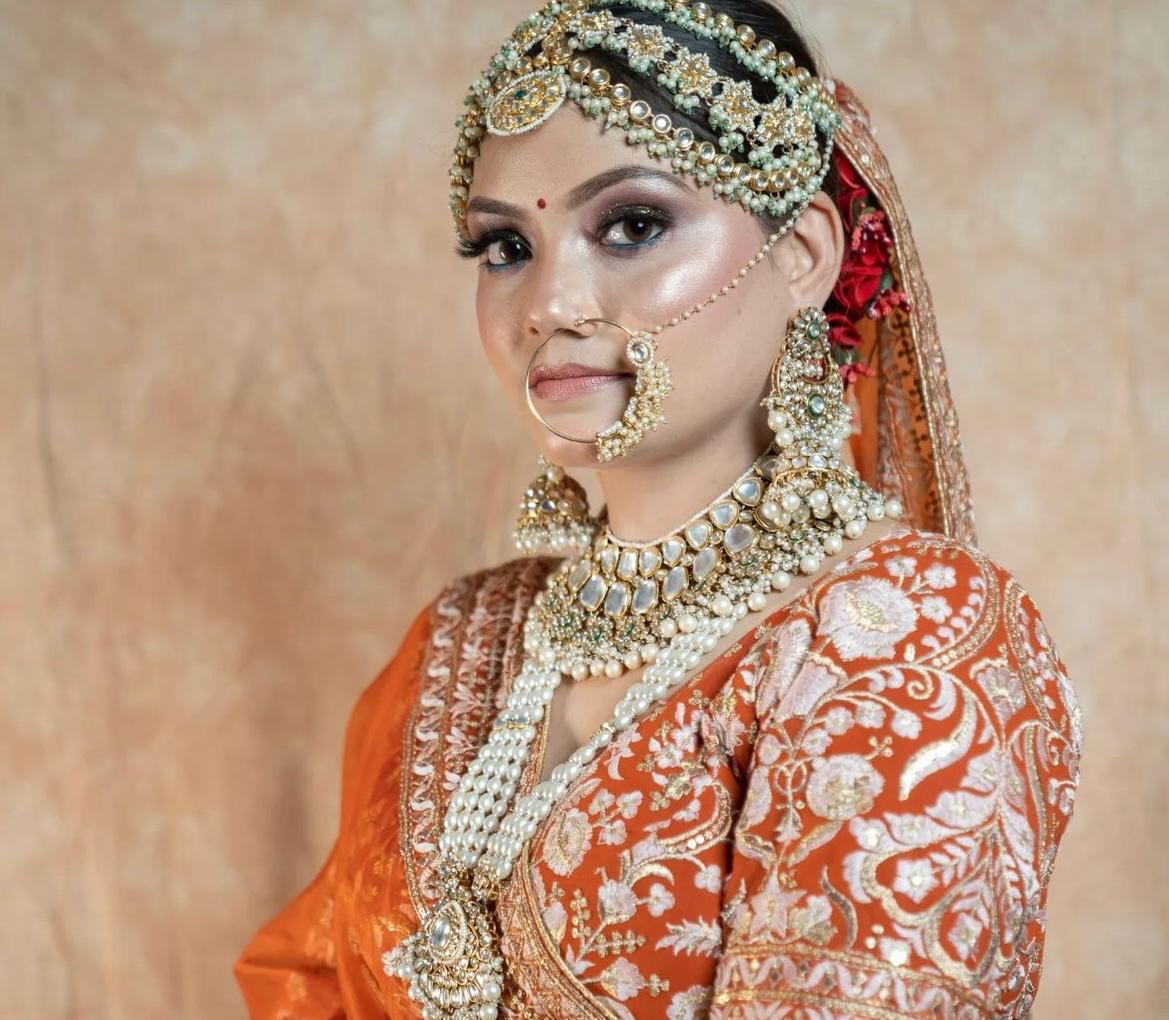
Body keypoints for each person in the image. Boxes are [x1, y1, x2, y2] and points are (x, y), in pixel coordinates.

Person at [234, 2, 1083, 1017]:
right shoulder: (459, 639)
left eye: (631, 226)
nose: (548, 304)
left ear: (802, 254)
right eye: (504, 247)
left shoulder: (901, 629)